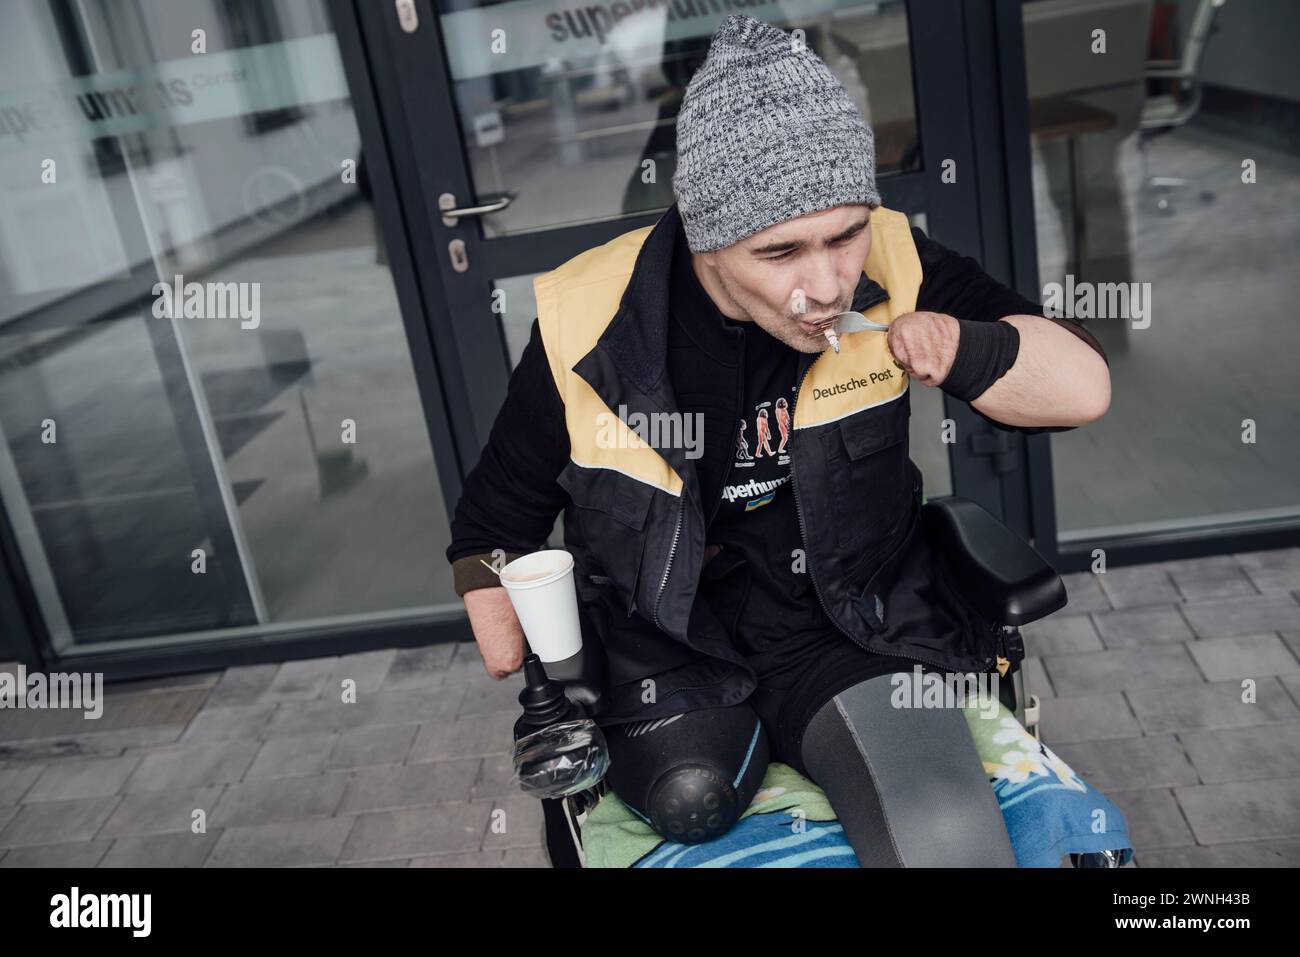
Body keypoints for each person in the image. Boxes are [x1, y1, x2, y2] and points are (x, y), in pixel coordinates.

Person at [445, 14, 1110, 862]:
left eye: (844, 233)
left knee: (947, 832)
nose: (827, 283)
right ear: (706, 239)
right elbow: (491, 526)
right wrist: (526, 651)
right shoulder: (590, 318)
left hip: (844, 630)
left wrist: (965, 345)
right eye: (781, 251)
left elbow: (1084, 387)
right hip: (668, 650)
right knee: (691, 800)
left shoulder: (896, 266)